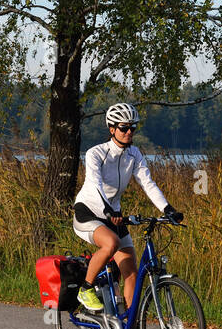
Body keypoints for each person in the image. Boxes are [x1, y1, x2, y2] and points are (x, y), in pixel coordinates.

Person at [73, 102, 183, 314]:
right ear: (112, 129)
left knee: (131, 272)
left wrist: (167, 208)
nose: (129, 131)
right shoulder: (96, 153)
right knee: (111, 243)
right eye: (124, 128)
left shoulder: (134, 154)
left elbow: (148, 183)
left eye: (133, 127)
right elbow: (95, 184)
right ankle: (85, 289)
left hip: (113, 215)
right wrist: (108, 210)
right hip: (88, 212)